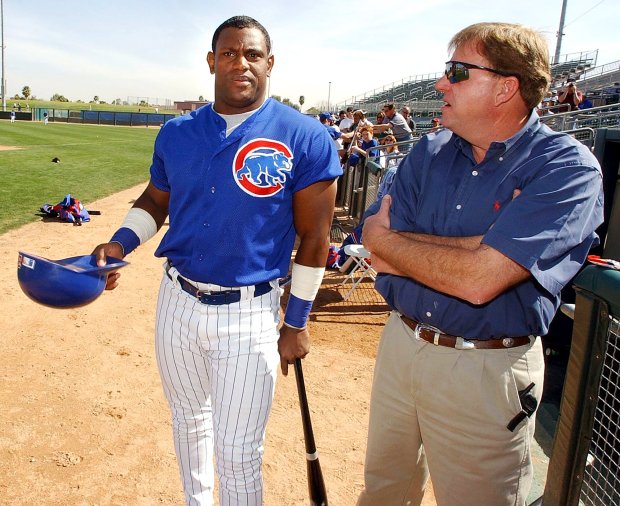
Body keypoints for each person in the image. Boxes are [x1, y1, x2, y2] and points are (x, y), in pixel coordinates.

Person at [92, 15, 341, 506]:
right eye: (229, 53)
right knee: (188, 423)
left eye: (252, 54)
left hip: (250, 312)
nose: (240, 63)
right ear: (212, 61)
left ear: (269, 63)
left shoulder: (304, 135)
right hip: (177, 302)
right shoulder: (177, 132)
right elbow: (155, 202)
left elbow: (315, 237)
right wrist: (121, 242)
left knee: (238, 450)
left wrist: (296, 322)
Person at [357, 22, 603, 506]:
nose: (440, 84)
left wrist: (404, 246)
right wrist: (479, 246)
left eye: (456, 71)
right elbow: (374, 247)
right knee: (384, 493)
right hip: (401, 344)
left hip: (486, 367)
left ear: (506, 87)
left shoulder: (567, 167)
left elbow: (478, 281)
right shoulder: (426, 152)